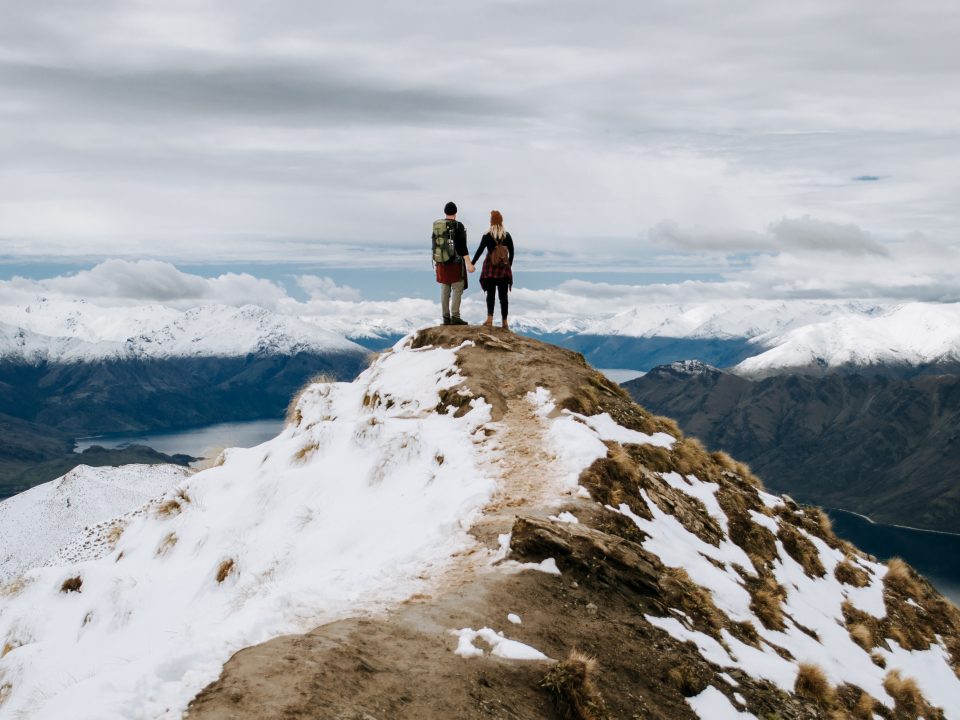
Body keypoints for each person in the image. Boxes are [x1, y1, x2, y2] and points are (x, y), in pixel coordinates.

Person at [471, 209, 514, 330]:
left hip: (490, 269)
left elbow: (479, 250)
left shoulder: (487, 235)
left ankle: (489, 320)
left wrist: (472, 264)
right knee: (503, 297)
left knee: (490, 295)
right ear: (501, 221)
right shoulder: (507, 235)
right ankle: (505, 323)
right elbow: (512, 252)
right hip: (504, 270)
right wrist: (508, 265)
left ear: (491, 222)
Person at [434, 201, 474, 325]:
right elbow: (462, 247)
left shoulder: (438, 226)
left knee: (445, 288)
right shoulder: (458, 226)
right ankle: (455, 316)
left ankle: (446, 318)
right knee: (457, 287)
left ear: (445, 212)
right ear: (455, 213)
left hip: (441, 263)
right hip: (455, 264)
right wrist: (469, 264)